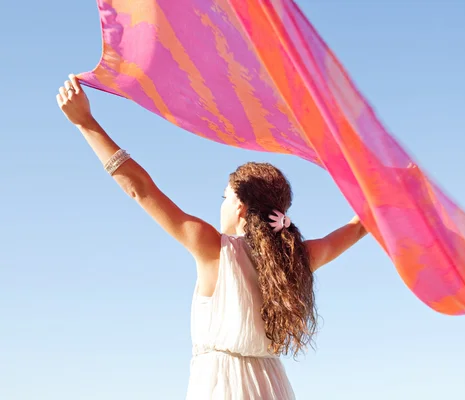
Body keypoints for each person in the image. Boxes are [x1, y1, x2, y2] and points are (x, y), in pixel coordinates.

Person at [56, 75, 368, 399]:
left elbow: (141, 189)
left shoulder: (213, 248)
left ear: (241, 208)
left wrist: (86, 123)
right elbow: (361, 225)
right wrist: (396, 188)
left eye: (224, 198)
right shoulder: (298, 257)